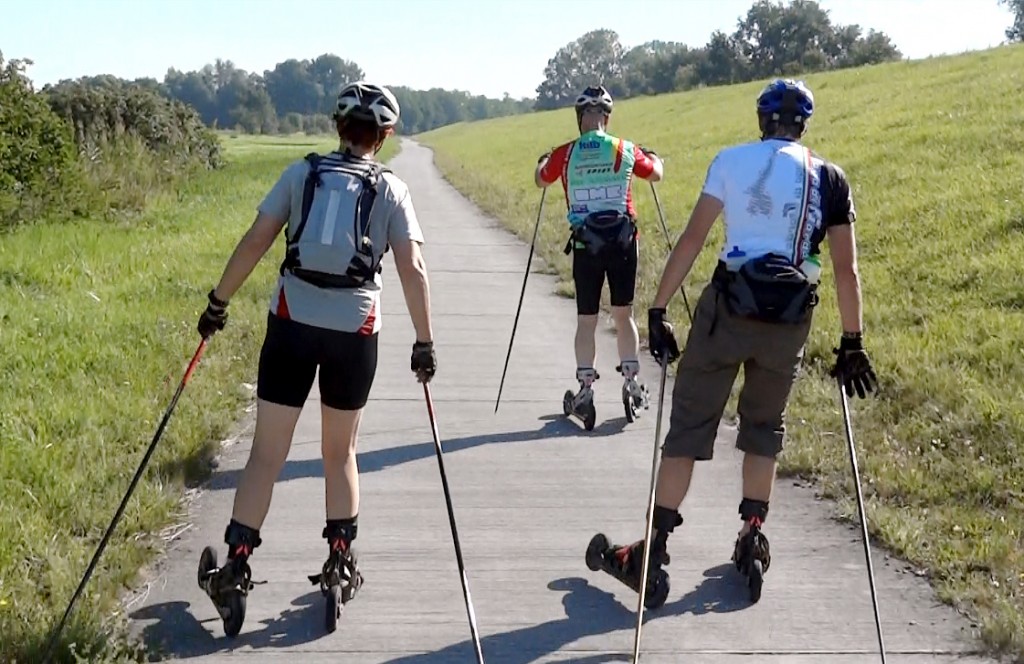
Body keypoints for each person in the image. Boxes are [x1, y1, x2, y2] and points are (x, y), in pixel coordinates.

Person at [596, 78, 877, 605]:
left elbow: (694, 238)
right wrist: (852, 341)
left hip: (727, 311)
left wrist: (658, 309)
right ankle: (752, 533)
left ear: (762, 119)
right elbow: (846, 271)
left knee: (688, 429)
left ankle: (653, 552)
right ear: (804, 125)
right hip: (790, 320)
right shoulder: (832, 178)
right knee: (764, 428)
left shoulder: (730, 160)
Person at [193, 81, 437, 632]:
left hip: (291, 326)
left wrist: (218, 302)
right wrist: (424, 342)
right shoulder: (392, 190)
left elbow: (257, 239)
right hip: (355, 333)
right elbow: (412, 269)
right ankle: (339, 561)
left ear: (336, 127)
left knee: (267, 454)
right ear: (386, 135)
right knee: (339, 453)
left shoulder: (303, 173)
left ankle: (234, 569)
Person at [534, 85, 665, 427]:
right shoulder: (624, 148)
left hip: (585, 245)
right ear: (607, 118)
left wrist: (543, 162)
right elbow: (655, 173)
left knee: (587, 320)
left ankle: (585, 390)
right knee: (624, 314)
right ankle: (632, 383)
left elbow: (540, 180)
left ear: (580, 119)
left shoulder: (566, 153)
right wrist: (654, 156)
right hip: (623, 242)